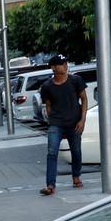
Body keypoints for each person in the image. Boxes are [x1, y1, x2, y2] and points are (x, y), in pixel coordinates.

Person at [39, 54, 87, 195]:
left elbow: (84, 99)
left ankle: (76, 176)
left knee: (76, 152)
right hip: (56, 124)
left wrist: (82, 120)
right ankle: (50, 185)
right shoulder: (47, 86)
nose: (65, 66)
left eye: (66, 63)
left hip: (75, 123)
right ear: (53, 67)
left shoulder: (75, 80)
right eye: (61, 64)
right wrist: (52, 121)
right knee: (52, 152)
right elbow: (48, 106)